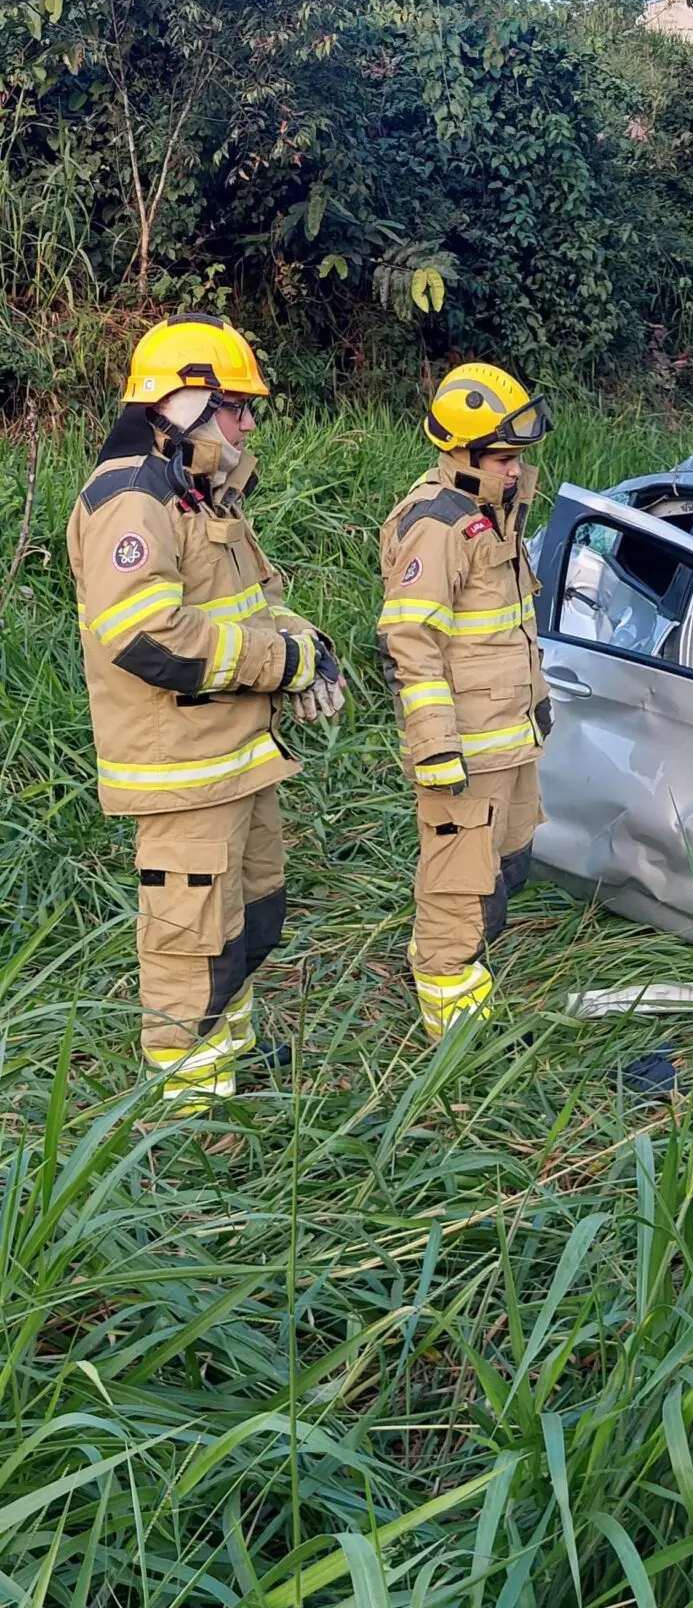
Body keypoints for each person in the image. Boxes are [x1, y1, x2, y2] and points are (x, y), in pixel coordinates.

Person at [67, 316, 344, 1112]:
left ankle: (231, 1058)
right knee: (190, 948)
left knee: (247, 921)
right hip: (181, 767)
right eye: (234, 406)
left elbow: (257, 604)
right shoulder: (132, 499)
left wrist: (308, 646)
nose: (247, 424)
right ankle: (189, 1118)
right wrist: (281, 664)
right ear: (181, 402)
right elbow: (146, 637)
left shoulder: (198, 493)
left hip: (235, 757)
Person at [378, 362, 553, 1039]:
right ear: (463, 452)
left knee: (502, 868)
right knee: (458, 883)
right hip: (465, 749)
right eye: (504, 459)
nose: (516, 470)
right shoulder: (438, 525)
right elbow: (409, 641)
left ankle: (466, 972)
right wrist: (434, 747)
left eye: (517, 458)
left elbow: (508, 630)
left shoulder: (494, 516)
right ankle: (452, 1026)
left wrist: (538, 703)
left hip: (507, 738)